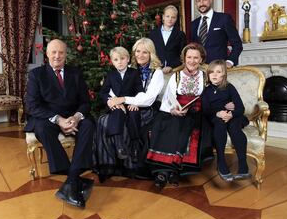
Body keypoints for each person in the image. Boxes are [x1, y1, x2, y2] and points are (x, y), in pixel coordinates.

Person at [24, 39, 94, 209]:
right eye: (53, 52)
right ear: (47, 54)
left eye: (61, 52)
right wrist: (58, 119)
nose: (57, 56)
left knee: (89, 124)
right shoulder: (36, 75)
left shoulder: (75, 73)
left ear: (65, 55)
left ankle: (70, 182)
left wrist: (76, 117)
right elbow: (32, 106)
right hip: (48, 118)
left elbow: (85, 103)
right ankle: (75, 178)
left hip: (72, 116)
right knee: (41, 128)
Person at [93, 38, 165, 180]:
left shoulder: (157, 73)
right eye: (138, 51)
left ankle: (131, 163)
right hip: (123, 107)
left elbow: (148, 98)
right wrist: (115, 102)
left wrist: (128, 101)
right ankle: (108, 165)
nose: (140, 55)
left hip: (146, 109)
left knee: (127, 119)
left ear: (151, 54)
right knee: (103, 121)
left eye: (145, 52)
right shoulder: (129, 67)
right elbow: (112, 91)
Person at [146, 43, 208, 189]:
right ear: (184, 59)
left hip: (196, 112)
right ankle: (163, 172)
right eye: (189, 57)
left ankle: (175, 170)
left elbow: (209, 97)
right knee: (165, 124)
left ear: (201, 59)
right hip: (175, 109)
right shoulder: (176, 76)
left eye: (196, 58)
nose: (192, 61)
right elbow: (169, 97)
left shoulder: (206, 76)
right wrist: (173, 109)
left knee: (185, 126)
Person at [201, 60, 251, 182]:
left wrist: (231, 114)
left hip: (233, 117)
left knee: (234, 127)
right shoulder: (206, 91)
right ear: (208, 74)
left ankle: (243, 166)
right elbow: (206, 110)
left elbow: (240, 108)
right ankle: (221, 162)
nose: (214, 74)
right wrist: (218, 113)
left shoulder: (229, 87)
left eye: (218, 72)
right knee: (219, 124)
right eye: (212, 72)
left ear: (224, 74)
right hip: (216, 117)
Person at [99, 46, 143, 161]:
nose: (120, 62)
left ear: (128, 59)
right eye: (116, 60)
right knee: (117, 112)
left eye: (122, 59)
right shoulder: (111, 75)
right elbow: (103, 92)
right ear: (112, 62)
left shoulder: (134, 73)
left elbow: (140, 90)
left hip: (130, 102)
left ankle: (135, 146)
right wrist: (110, 101)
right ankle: (119, 146)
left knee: (134, 115)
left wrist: (136, 103)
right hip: (116, 103)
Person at [191, 0, 243, 67]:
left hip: (219, 69)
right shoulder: (193, 24)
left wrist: (230, 61)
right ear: (196, 3)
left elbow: (237, 44)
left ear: (210, 0)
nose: (201, 3)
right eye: (198, 1)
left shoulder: (224, 18)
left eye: (204, 0)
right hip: (200, 69)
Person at [149, 5, 186, 74]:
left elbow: (183, 55)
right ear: (163, 17)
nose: (170, 19)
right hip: (156, 70)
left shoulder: (180, 35)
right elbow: (150, 52)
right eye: (167, 16)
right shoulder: (153, 33)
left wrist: (171, 66)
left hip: (174, 70)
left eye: (173, 17)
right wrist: (157, 66)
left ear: (176, 19)